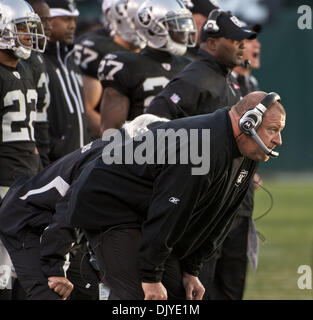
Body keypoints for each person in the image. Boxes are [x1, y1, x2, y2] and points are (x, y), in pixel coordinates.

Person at [65, 91, 286, 300]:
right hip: (110, 205)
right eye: (272, 130)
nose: (278, 140)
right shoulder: (204, 146)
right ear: (248, 123)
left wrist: (191, 270)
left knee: (177, 291)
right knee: (137, 296)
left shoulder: (245, 152)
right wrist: (150, 277)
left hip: (144, 211)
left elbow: (219, 217)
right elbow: (169, 212)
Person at [0, 114, 167, 300]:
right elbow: (70, 207)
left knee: (87, 291)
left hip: (59, 224)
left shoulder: (117, 151)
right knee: (50, 292)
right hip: (28, 219)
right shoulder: (110, 159)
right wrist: (54, 266)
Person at [201, 23, 263, 300]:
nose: (253, 45)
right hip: (213, 194)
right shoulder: (204, 81)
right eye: (245, 40)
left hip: (240, 194)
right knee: (206, 276)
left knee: (233, 279)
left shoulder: (248, 84)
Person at [0, 0, 46, 299]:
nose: (28, 36)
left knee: (23, 268)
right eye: (21, 29)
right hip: (3, 179)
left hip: (26, 178)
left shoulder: (29, 68)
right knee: (2, 269)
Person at [98, 0, 196, 133]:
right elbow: (110, 132)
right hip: (138, 149)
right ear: (154, 28)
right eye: (177, 24)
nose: (186, 30)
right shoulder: (125, 65)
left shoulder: (189, 65)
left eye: (186, 23)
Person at [145, 9, 256, 119]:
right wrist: (197, 136)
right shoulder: (193, 79)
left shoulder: (229, 78)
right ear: (212, 43)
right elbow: (154, 121)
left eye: (243, 41)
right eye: (235, 41)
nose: (243, 46)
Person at [73, 0, 143, 138]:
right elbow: (86, 110)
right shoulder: (96, 48)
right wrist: (120, 142)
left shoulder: (153, 46)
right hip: (116, 141)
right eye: (132, 17)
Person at [44, 0, 91, 161]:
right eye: (66, 19)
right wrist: (55, 147)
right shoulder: (38, 61)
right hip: (53, 163)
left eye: (74, 20)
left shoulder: (70, 59)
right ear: (47, 20)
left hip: (79, 158)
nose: (72, 26)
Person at [25, 0, 52, 168]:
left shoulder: (37, 56)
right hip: (30, 142)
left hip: (42, 137)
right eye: (43, 20)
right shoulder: (26, 59)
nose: (49, 25)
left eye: (50, 20)